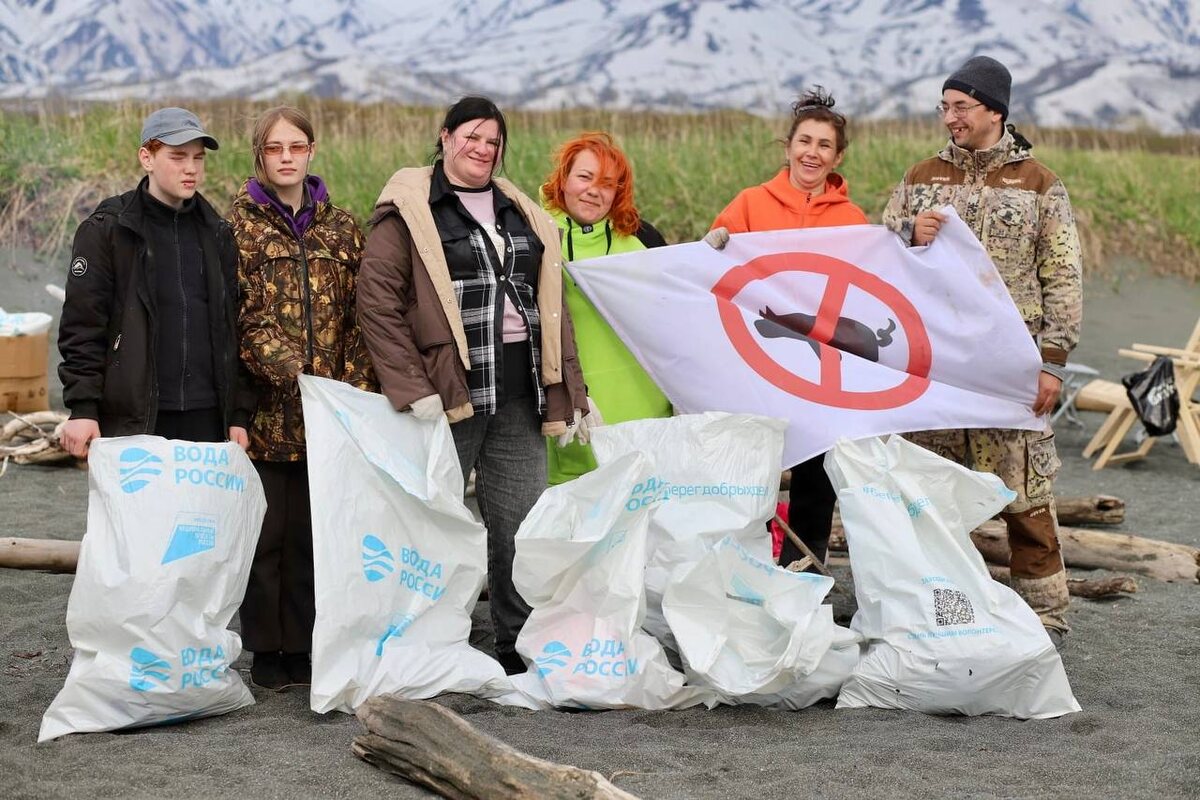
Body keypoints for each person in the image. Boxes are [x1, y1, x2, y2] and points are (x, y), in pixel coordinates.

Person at [356, 96, 590, 675]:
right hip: (449, 394)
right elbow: (377, 303)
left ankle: (517, 643)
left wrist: (573, 391)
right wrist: (412, 388)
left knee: (519, 525)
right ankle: (427, 644)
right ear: (444, 137)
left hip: (519, 390)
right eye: (471, 137)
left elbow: (550, 306)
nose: (482, 149)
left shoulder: (519, 211)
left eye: (493, 141)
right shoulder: (410, 210)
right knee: (432, 525)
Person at [882, 55, 1083, 646]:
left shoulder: (1040, 182)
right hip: (939, 367)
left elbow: (1063, 275)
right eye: (945, 107)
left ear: (994, 110)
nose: (950, 118)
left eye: (961, 107)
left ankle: (1044, 623)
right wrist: (905, 231)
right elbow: (878, 247)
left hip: (1011, 367)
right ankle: (952, 617)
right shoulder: (921, 176)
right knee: (938, 500)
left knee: (1026, 497)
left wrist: (1053, 361)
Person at [228, 106, 376, 690]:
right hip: (270, 411)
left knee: (318, 536)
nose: (286, 157)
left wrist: (352, 391)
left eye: (296, 146)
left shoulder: (341, 228)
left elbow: (362, 314)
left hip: (333, 415)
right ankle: (267, 648)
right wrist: (299, 376)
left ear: (311, 151)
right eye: (273, 148)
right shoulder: (237, 228)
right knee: (269, 537)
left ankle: (310, 642)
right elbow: (241, 317)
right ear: (259, 156)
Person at [705, 87, 868, 571]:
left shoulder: (851, 220)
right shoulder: (751, 204)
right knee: (752, 473)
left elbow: (864, 290)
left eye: (823, 145)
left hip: (820, 372)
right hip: (759, 362)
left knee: (815, 484)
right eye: (804, 141)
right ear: (788, 146)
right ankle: (742, 578)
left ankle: (804, 583)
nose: (811, 153)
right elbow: (712, 276)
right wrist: (712, 247)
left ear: (838, 156)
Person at [58, 107, 252, 457]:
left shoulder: (218, 233)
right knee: (137, 514)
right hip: (134, 417)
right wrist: (83, 408)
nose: (191, 168)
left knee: (198, 514)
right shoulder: (109, 230)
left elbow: (232, 329)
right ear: (146, 157)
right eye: (178, 156)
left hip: (207, 419)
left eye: (198, 158)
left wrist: (237, 413)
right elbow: (83, 325)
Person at [540, 131, 671, 484]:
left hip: (645, 410)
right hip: (573, 411)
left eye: (607, 184)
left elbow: (674, 319)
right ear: (563, 178)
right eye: (584, 177)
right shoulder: (534, 235)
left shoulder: (644, 238)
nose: (594, 191)